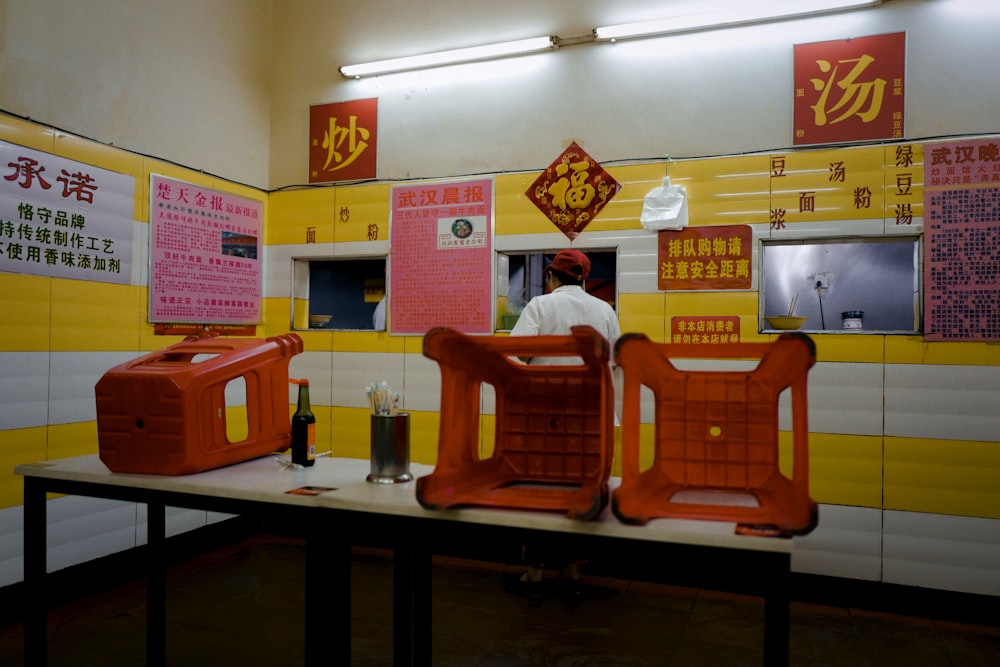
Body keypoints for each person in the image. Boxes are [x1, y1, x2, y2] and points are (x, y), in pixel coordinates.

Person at [502, 248, 621, 599]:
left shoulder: (541, 305)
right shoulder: (605, 311)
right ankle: (571, 573)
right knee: (579, 494)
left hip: (546, 421)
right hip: (591, 421)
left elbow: (517, 355)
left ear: (552, 276)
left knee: (539, 494)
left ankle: (534, 574)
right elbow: (614, 362)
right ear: (583, 279)